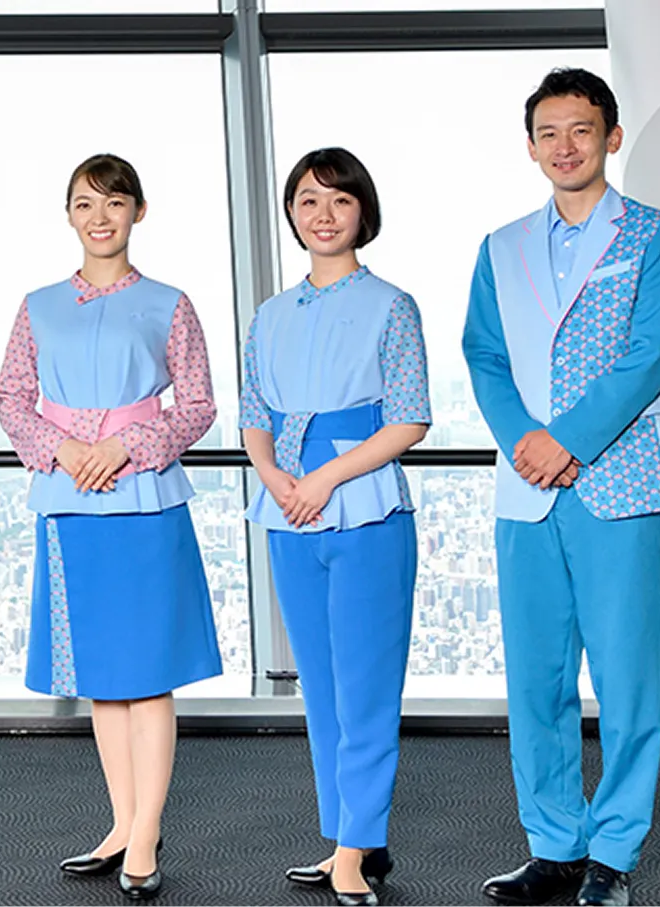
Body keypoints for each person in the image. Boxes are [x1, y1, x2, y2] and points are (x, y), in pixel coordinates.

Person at [465, 67, 660, 907]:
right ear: (530, 146)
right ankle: (556, 844)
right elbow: (485, 355)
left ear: (612, 136)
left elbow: (652, 350)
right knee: (537, 678)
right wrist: (527, 442)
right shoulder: (501, 246)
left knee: (629, 677)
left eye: (582, 130)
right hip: (526, 487)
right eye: (550, 133)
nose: (566, 146)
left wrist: (567, 440)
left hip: (615, 481)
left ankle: (616, 852)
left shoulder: (656, 235)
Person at [0, 152, 222, 902]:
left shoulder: (170, 303)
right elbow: (11, 395)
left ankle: (148, 828)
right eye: (85, 204)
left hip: (145, 497)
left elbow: (196, 405)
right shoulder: (37, 306)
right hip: (67, 499)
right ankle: (122, 821)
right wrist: (65, 451)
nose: (100, 217)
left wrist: (124, 446)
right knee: (102, 679)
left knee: (147, 674)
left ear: (138, 212)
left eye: (114, 203)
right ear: (68, 215)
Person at [241, 147, 430, 907]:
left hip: (364, 503)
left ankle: (360, 843)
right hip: (288, 506)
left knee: (366, 685)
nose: (323, 215)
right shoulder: (270, 314)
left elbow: (411, 417)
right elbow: (255, 414)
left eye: (339, 201)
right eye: (309, 200)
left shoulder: (392, 304)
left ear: (364, 213)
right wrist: (277, 479)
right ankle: (346, 836)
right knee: (319, 686)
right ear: (291, 212)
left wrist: (320, 478)